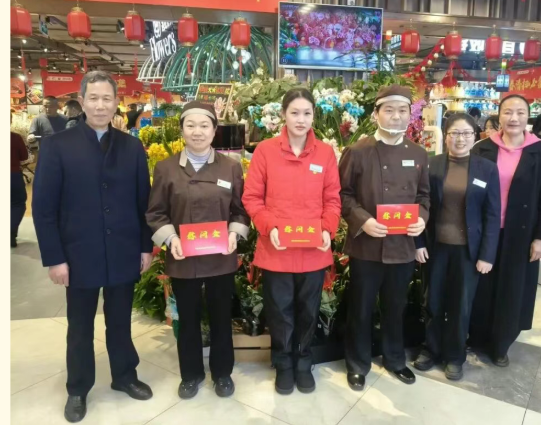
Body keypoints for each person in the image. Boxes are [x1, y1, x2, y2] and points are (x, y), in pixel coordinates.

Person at [32, 71, 154, 423]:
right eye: (94, 98)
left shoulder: (131, 147)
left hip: (123, 250)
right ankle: (78, 388)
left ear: (117, 103)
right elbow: (43, 208)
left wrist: (145, 247)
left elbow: (143, 202)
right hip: (78, 254)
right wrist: (55, 258)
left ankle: (124, 376)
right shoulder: (57, 146)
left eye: (107, 99)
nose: (101, 105)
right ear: (82, 102)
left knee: (120, 322)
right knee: (80, 326)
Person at [146, 101, 250, 400]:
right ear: (182, 130)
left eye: (204, 125)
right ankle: (190, 374)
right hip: (183, 257)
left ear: (214, 130)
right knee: (188, 320)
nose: (197, 131)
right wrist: (171, 239)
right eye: (190, 125)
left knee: (221, 317)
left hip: (220, 257)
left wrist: (234, 234)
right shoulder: (166, 168)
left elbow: (240, 210)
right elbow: (156, 213)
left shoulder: (231, 167)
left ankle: (222, 373)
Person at [242, 88, 341, 395]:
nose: (301, 119)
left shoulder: (325, 153)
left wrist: (328, 229)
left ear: (314, 116)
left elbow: (332, 199)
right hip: (277, 249)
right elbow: (252, 197)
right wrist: (268, 226)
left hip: (313, 250)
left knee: (309, 310)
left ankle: (303, 362)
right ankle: (284, 363)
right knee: (279, 310)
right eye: (294, 112)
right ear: (283, 114)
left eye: (307, 113)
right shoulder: (265, 151)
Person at [339, 85, 429, 390]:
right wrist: (363, 221)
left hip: (402, 246)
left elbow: (424, 196)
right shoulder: (357, 151)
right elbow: (343, 194)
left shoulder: (418, 154)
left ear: (410, 115)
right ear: (376, 114)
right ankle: (357, 363)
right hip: (367, 246)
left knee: (396, 306)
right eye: (389, 110)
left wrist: (421, 219)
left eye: (402, 110)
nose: (396, 116)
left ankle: (395, 359)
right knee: (361, 307)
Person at [469, 94, 541, 366]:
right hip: (486, 231)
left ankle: (501, 344)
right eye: (508, 112)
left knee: (512, 288)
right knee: (483, 285)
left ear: (528, 116)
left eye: (520, 112)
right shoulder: (483, 148)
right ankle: (477, 337)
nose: (514, 118)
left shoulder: (540, 151)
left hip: (521, 233)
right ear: (499, 115)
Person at [413, 113, 501, 380]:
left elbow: (492, 215)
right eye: (454, 133)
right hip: (436, 247)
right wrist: (418, 243)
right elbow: (420, 205)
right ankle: (431, 349)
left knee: (461, 305)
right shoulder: (432, 165)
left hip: (469, 251)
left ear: (475, 136)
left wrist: (487, 255)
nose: (460, 139)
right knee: (433, 301)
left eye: (466, 134)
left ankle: (455, 355)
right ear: (446, 136)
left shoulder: (487, 169)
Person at [11, 114, 29, 248]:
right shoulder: (15, 138)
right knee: (18, 204)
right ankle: (11, 230)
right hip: (13, 175)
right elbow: (24, 156)